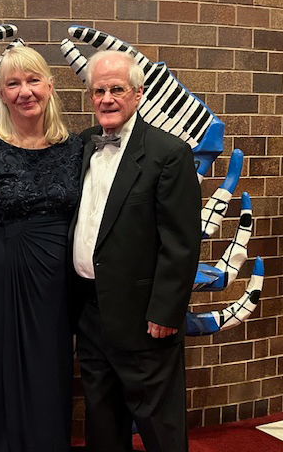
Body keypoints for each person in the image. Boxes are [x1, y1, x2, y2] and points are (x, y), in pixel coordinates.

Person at [0, 46, 83, 452]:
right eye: (13, 84)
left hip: (56, 285)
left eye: (32, 80)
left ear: (50, 86)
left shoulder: (77, 149)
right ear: (2, 94)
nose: (25, 91)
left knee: (48, 374)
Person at [70, 50, 201, 452]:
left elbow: (180, 243)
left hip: (145, 319)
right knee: (103, 423)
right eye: (98, 91)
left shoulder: (169, 154)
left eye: (116, 89)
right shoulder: (80, 148)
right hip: (89, 314)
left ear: (138, 94)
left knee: (159, 427)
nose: (106, 98)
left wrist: (165, 312)